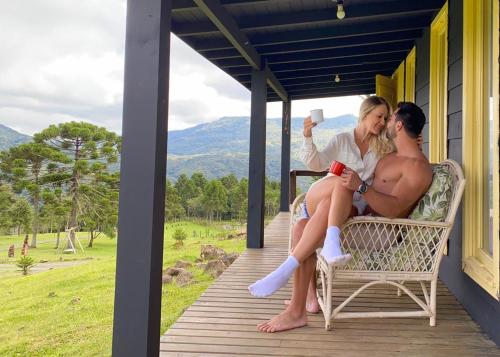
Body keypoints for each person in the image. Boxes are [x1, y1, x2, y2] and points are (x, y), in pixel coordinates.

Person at [249, 102, 433, 333]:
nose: (384, 122)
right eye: (380, 116)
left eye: (388, 118)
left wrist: (361, 187)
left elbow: (395, 210)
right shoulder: (390, 156)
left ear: (397, 125)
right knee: (306, 222)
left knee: (305, 227)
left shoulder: (417, 167)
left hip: (379, 229)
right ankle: (299, 305)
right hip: (358, 215)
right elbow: (325, 164)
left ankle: (291, 282)